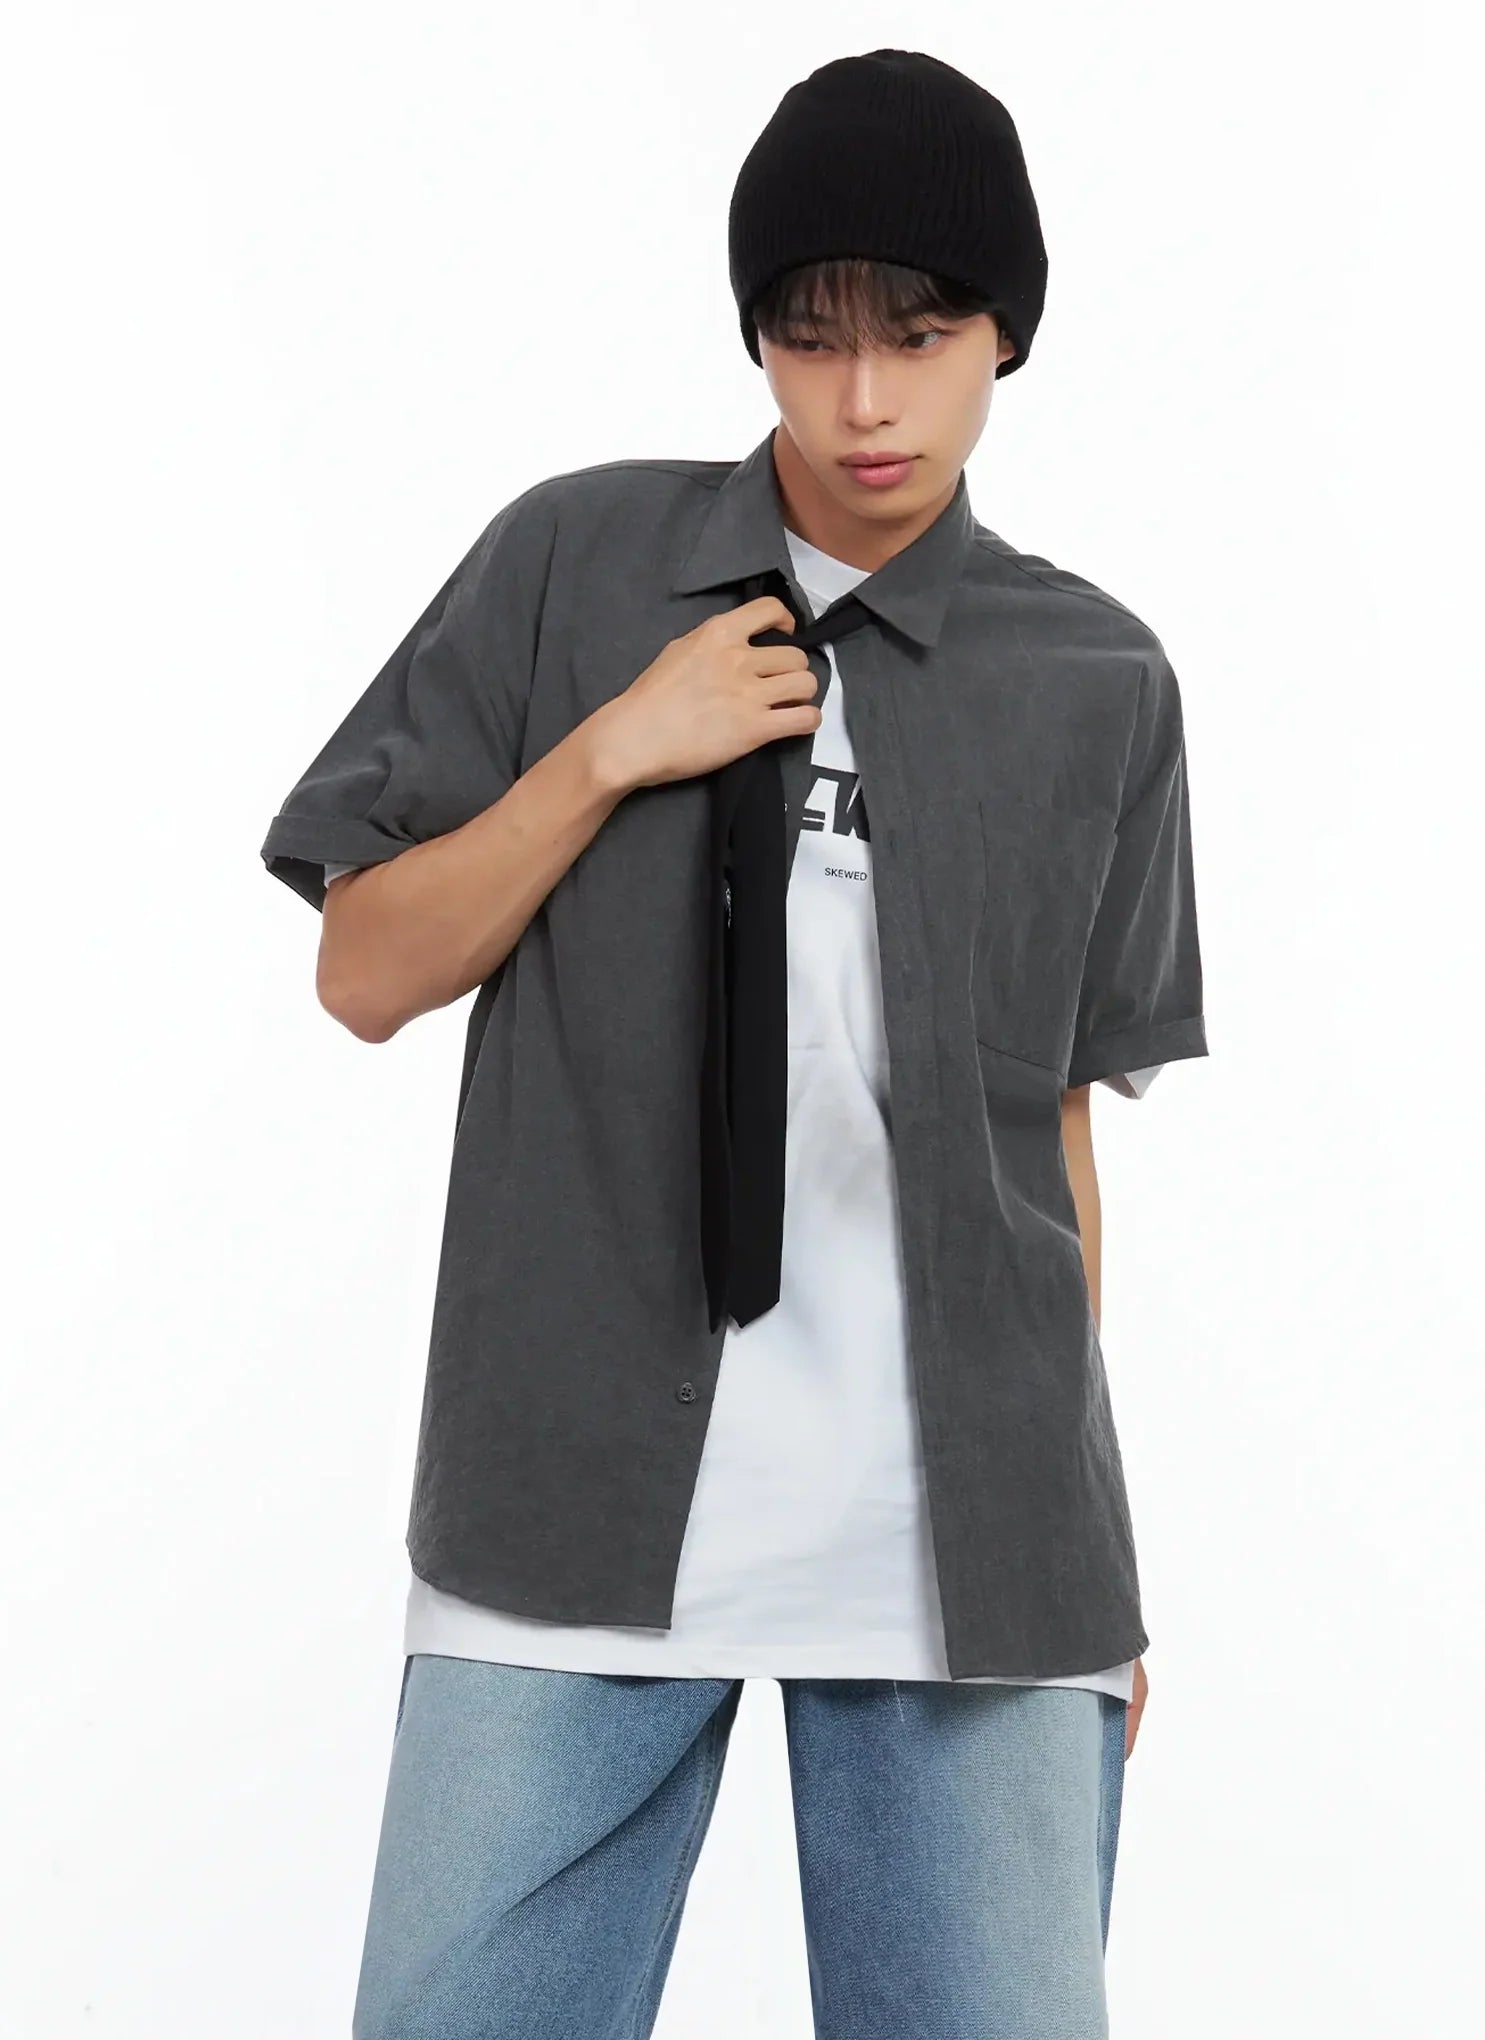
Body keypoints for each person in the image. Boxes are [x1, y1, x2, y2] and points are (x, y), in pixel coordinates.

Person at [260, 47, 1208, 2040]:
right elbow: (364, 969)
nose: (863, 402)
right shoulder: (573, 565)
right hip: (564, 1504)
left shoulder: (1099, 678)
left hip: (971, 1551)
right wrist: (615, 748)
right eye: (810, 336)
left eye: (919, 337)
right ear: (755, 335)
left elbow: (1054, 1145)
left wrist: (1084, 1561)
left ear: (1005, 333)